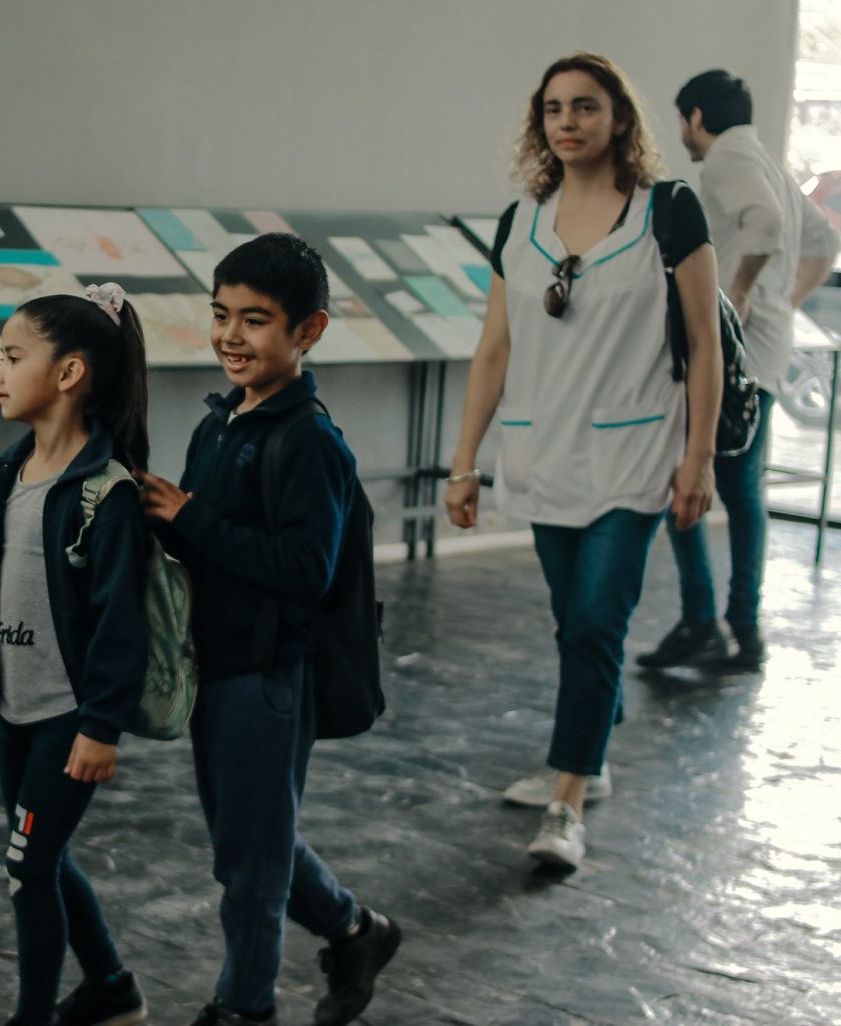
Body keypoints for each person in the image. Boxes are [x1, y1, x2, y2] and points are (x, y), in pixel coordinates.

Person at [443, 53, 721, 868]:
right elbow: (493, 349)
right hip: (542, 453)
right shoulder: (519, 222)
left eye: (586, 107)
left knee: (598, 623)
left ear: (620, 120)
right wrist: (464, 461)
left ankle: (568, 797)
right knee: (575, 622)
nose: (568, 122)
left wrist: (697, 459)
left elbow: (705, 346)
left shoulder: (668, 212)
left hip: (635, 456)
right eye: (555, 109)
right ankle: (589, 748)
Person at [138, 235, 399, 1026]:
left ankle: (245, 1007)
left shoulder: (309, 441)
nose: (230, 337)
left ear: (308, 331)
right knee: (247, 842)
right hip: (216, 666)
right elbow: (201, 540)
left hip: (270, 676)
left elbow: (304, 567)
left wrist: (193, 518)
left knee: (249, 865)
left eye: (255, 321)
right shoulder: (220, 425)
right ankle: (356, 929)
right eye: (221, 316)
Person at [0, 285, 151, 1026]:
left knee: (27, 864)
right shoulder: (2, 478)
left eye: (12, 356)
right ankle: (111, 987)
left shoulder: (105, 494)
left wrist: (101, 725)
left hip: (67, 718)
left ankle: (33, 1018)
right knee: (38, 856)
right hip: (13, 711)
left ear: (69, 373)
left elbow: (122, 626)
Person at [637, 69, 841, 671]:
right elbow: (823, 240)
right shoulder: (770, 162)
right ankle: (739, 628)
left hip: (733, 352)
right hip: (765, 351)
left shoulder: (728, 161)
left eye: (682, 122)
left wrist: (742, 294)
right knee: (741, 491)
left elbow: (770, 226)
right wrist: (785, 304)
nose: (683, 135)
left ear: (697, 117)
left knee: (687, 478)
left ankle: (707, 621)